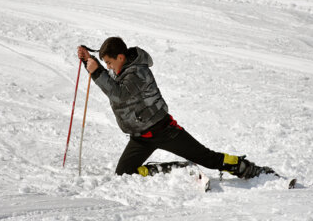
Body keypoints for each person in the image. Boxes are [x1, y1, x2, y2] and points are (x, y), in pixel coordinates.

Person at [77, 37, 273, 179]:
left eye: (110, 63)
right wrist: (88, 60)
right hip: (140, 138)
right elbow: (113, 84)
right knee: (123, 174)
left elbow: (119, 94)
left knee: (207, 158)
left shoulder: (138, 72)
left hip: (165, 131)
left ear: (120, 57)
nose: (109, 68)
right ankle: (175, 169)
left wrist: (96, 73)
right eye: (107, 65)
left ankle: (248, 168)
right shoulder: (122, 71)